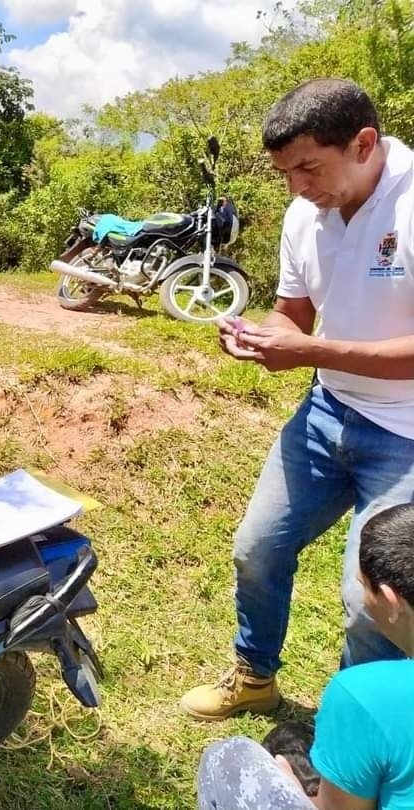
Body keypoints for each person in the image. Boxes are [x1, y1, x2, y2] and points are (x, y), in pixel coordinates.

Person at [181, 78, 414, 720]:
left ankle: (354, 734)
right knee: (258, 547)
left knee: (375, 600)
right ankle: (254, 678)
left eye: (308, 167)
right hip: (327, 412)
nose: (297, 187)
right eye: (285, 172)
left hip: (407, 435)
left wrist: (310, 353)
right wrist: (261, 336)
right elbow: (295, 315)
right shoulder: (304, 213)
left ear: (364, 143)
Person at [197, 502, 414, 809]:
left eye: (364, 586)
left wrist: (295, 787)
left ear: (392, 602)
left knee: (227, 759)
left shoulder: (365, 695)